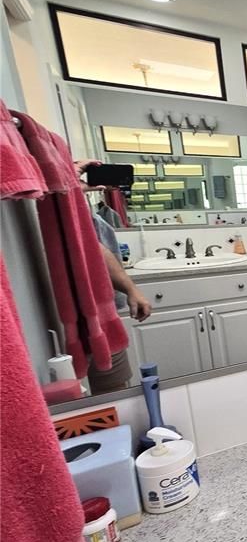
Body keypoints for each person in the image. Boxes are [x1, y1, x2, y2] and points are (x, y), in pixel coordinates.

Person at [74, 159, 151, 391]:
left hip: (99, 316)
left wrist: (130, 289)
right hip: (67, 319)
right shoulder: (54, 206)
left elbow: (93, 247)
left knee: (114, 387)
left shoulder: (76, 210)